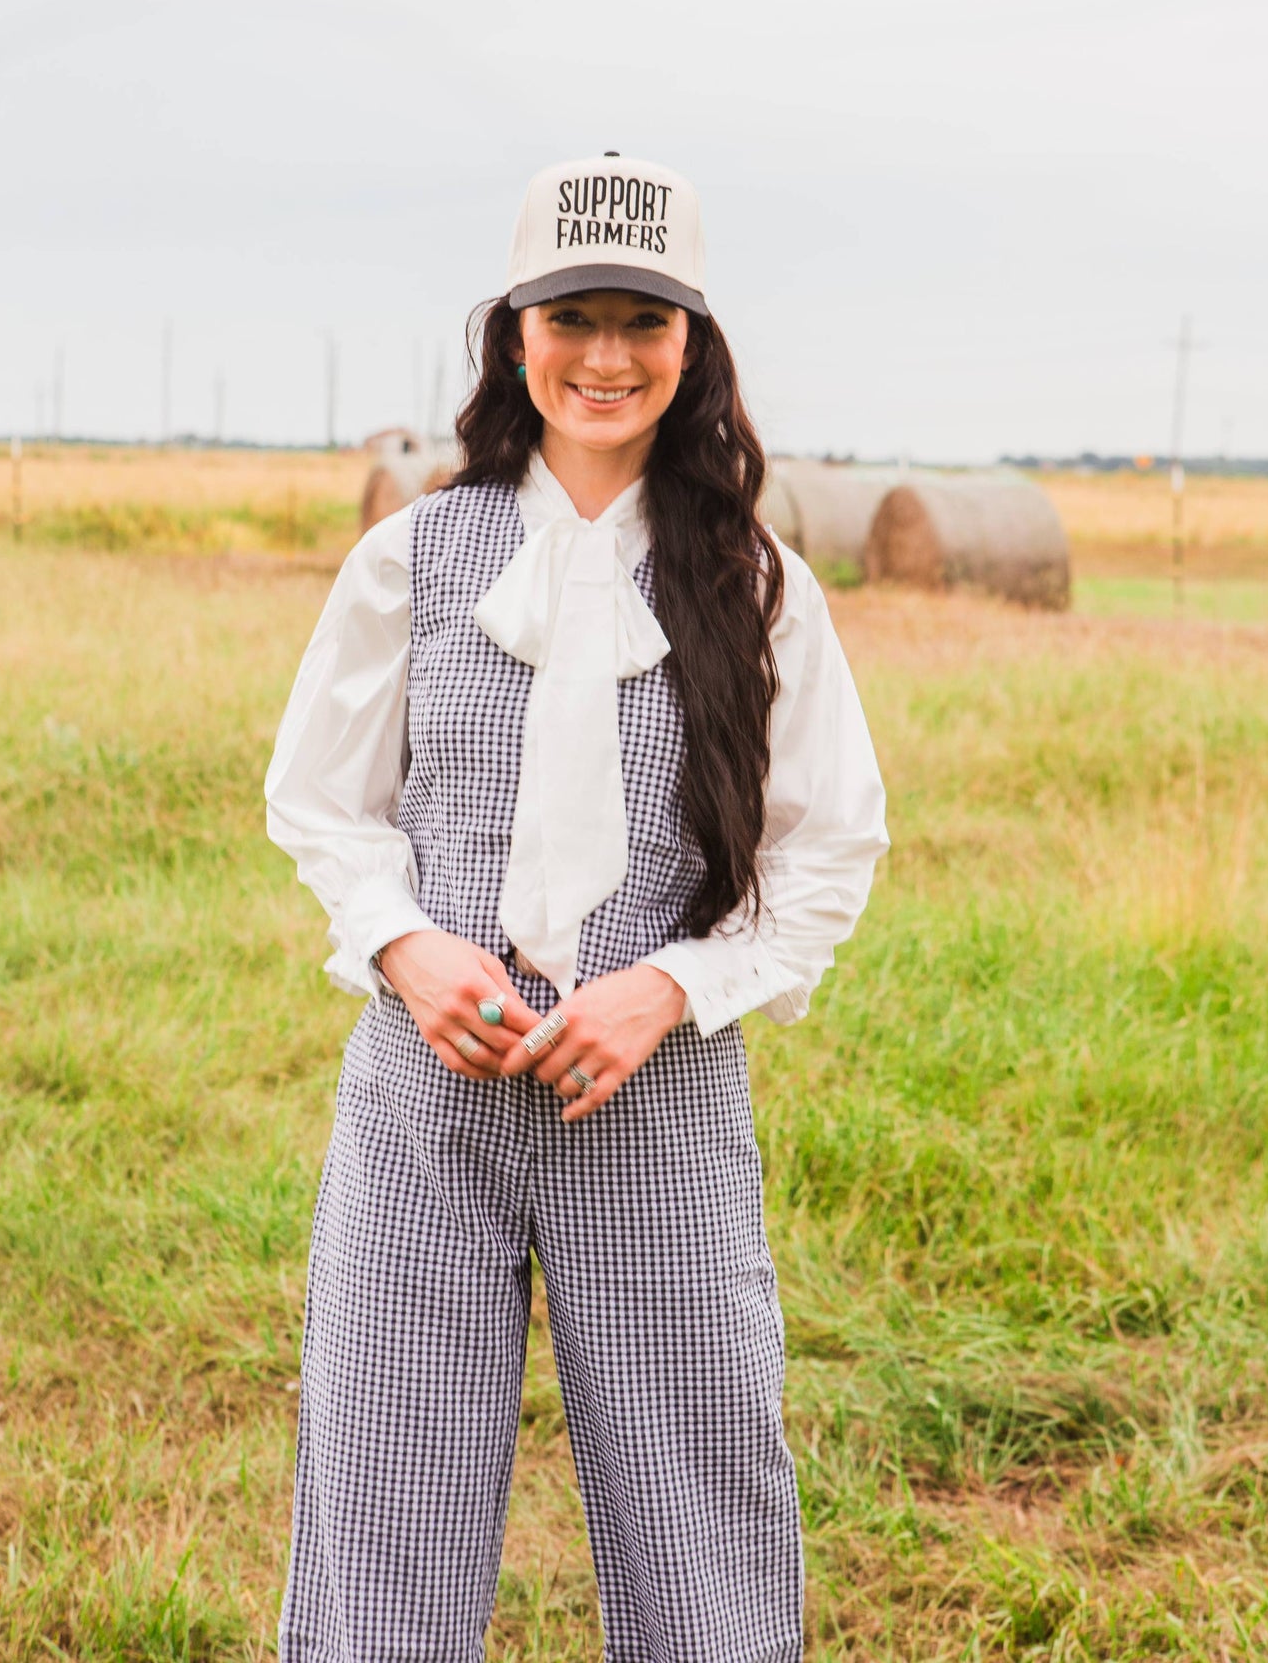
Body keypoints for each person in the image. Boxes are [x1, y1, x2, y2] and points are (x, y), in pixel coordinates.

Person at [265, 154, 888, 1663]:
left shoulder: (753, 581)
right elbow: (321, 803)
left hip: (656, 1098)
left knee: (701, 1507)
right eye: (572, 317)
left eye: (643, 322)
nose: (605, 357)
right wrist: (408, 950)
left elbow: (827, 852)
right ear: (514, 336)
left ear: (692, 346)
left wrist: (666, 988)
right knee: (384, 1501)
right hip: (429, 1094)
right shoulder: (411, 556)